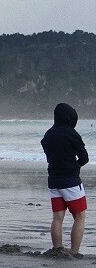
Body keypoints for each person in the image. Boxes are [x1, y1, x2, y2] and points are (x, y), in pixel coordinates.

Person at [42, 103, 89, 254]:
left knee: (57, 217)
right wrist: (76, 165)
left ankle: (57, 249)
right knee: (80, 216)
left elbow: (47, 150)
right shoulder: (71, 134)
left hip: (53, 180)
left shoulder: (48, 134)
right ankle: (74, 251)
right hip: (70, 180)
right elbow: (84, 158)